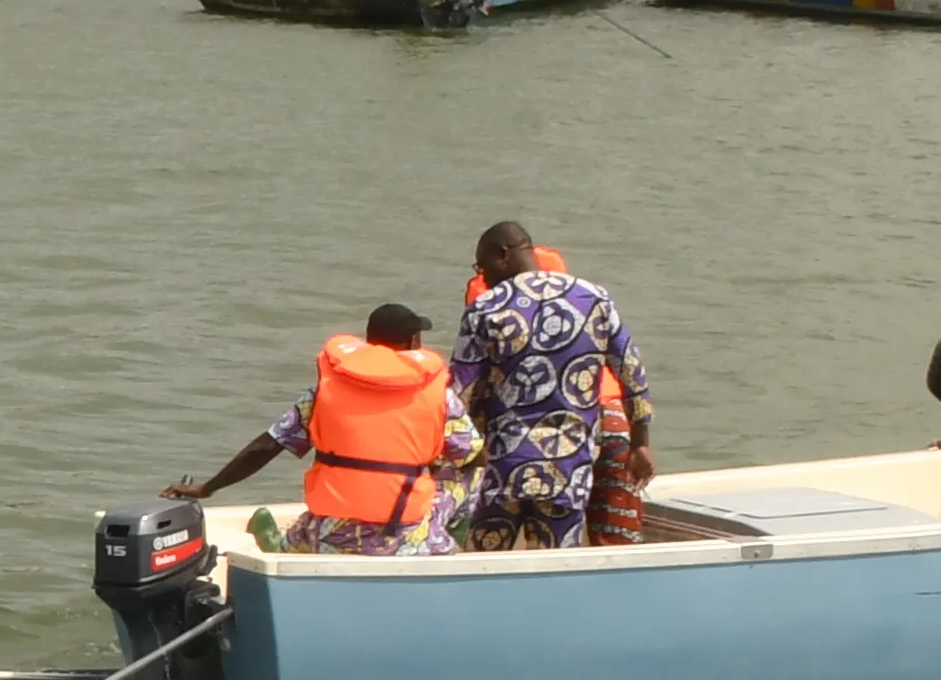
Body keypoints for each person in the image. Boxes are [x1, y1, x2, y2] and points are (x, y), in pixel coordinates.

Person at [166, 304, 479, 554]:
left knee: (319, 522)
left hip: (330, 532)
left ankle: (285, 547)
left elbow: (267, 446)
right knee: (473, 473)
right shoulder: (438, 396)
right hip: (400, 538)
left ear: (368, 341)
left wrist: (208, 487)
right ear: (413, 343)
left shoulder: (325, 391)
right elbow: (474, 455)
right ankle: (446, 537)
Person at [452, 221, 657, 552]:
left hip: (505, 468)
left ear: (502, 255)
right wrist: (640, 443)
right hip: (568, 467)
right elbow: (631, 372)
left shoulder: (486, 308)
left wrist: (460, 457)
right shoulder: (594, 299)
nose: (483, 276)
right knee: (558, 565)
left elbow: (462, 395)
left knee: (482, 563)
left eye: (482, 266)